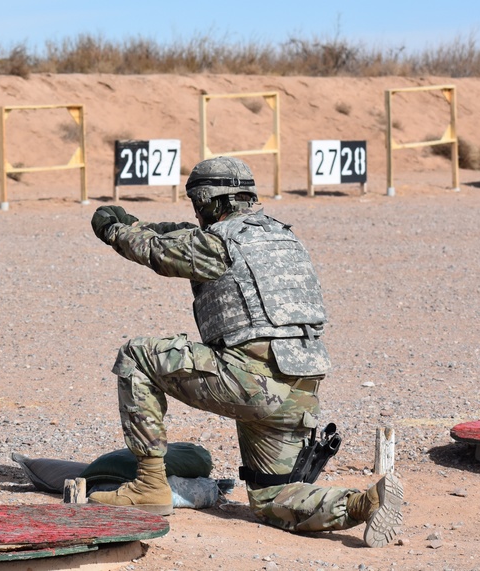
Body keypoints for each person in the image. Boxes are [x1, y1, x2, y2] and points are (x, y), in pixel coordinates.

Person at [87, 156, 403, 548]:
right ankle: (364, 504)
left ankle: (149, 486)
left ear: (208, 201)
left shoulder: (217, 243)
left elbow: (157, 251)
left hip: (252, 380)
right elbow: (181, 237)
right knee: (272, 500)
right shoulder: (281, 238)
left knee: (137, 355)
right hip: (300, 387)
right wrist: (143, 224)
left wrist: (115, 229)